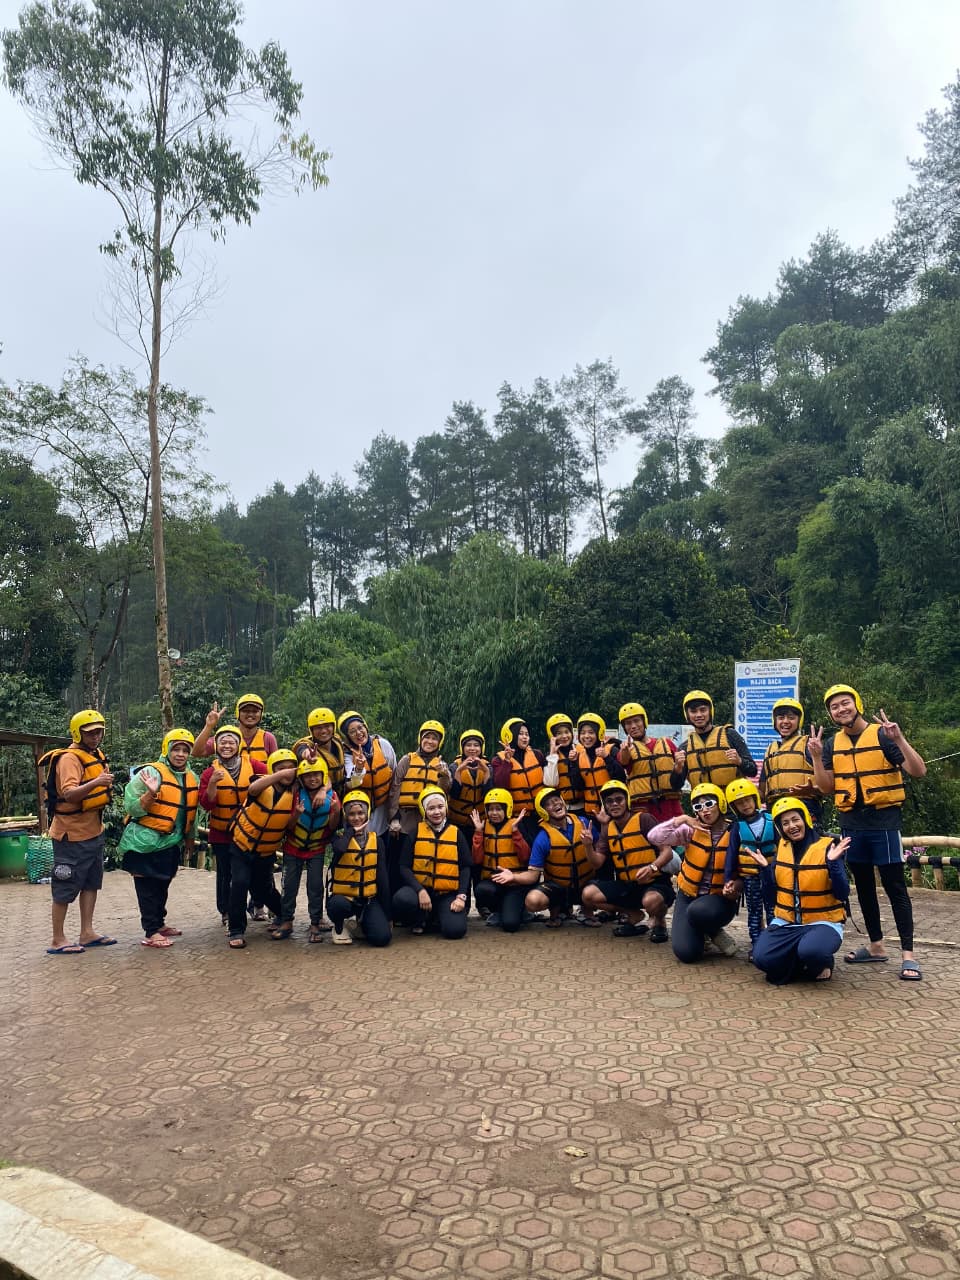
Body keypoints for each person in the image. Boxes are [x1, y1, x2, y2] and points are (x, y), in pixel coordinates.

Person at [809, 684, 926, 982]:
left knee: (895, 886)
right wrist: (817, 757)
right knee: (862, 887)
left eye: (845, 703)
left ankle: (908, 955)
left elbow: (918, 771)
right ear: (830, 714)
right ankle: (876, 946)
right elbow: (826, 787)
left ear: (857, 704)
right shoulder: (832, 744)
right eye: (834, 706)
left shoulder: (883, 735)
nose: (841, 709)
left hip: (883, 822)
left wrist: (899, 739)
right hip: (851, 824)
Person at [749, 798, 851, 985]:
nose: (792, 826)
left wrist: (833, 864)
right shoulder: (782, 849)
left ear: (805, 819)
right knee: (761, 958)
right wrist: (765, 870)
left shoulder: (828, 848)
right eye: (785, 823)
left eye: (795, 819)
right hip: (786, 923)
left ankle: (821, 961)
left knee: (812, 951)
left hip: (823, 922)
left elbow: (842, 893)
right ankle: (799, 961)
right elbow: (771, 899)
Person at [118, 728, 199, 949]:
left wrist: (189, 839)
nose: (180, 754)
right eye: (176, 749)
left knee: (163, 883)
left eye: (185, 750)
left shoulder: (191, 777)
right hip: (143, 842)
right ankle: (151, 931)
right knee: (147, 887)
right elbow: (131, 807)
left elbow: (189, 812)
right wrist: (150, 793)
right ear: (167, 750)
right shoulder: (150, 772)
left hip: (170, 842)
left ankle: (159, 924)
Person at [44, 709, 116, 954]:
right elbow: (69, 793)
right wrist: (97, 782)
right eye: (90, 733)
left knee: (91, 883)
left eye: (99, 732)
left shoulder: (95, 755)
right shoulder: (69, 759)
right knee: (64, 886)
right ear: (77, 733)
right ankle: (58, 939)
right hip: (70, 836)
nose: (96, 737)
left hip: (93, 831)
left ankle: (87, 933)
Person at [649, 783, 742, 963]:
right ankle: (708, 933)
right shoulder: (689, 831)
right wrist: (682, 819)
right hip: (688, 896)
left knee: (698, 910)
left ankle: (711, 928)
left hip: (718, 900)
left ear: (721, 804)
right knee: (686, 953)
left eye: (709, 804)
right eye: (698, 806)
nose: (704, 810)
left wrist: (736, 886)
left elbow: (746, 872)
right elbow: (654, 837)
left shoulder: (736, 832)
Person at [581, 780, 676, 942]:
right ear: (605, 806)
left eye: (619, 799)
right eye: (609, 801)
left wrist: (652, 868)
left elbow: (667, 852)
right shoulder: (607, 829)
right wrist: (588, 846)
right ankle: (633, 914)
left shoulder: (644, 819)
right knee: (588, 895)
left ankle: (660, 922)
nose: (614, 804)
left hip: (654, 882)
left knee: (651, 901)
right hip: (627, 885)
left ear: (627, 801)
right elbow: (597, 863)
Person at [225, 749, 299, 949]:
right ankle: (236, 929)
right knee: (239, 883)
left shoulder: (295, 792)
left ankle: (283, 915)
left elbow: (319, 779)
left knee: (263, 890)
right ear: (273, 770)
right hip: (242, 846)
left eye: (290, 769)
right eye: (281, 768)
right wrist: (279, 775)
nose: (286, 772)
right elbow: (253, 789)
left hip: (266, 851)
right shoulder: (262, 783)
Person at [197, 723, 265, 926]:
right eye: (223, 742)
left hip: (249, 831)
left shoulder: (254, 765)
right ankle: (226, 911)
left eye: (231, 742)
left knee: (253, 871)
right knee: (225, 874)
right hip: (222, 833)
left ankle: (257, 905)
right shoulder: (209, 773)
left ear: (238, 745)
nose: (227, 746)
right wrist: (212, 783)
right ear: (216, 746)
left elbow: (272, 779)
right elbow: (207, 804)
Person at [327, 791, 414, 946]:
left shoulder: (377, 841)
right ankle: (339, 927)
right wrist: (351, 832)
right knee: (337, 905)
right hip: (344, 898)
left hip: (367, 899)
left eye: (361, 813)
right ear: (345, 815)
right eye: (351, 814)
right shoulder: (339, 836)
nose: (356, 818)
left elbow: (382, 878)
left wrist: (388, 916)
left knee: (382, 938)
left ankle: (359, 924)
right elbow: (340, 848)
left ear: (367, 814)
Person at [271, 757, 340, 943]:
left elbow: (332, 826)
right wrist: (297, 814)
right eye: (308, 776)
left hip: (316, 848)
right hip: (293, 847)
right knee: (289, 886)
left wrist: (335, 811)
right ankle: (287, 921)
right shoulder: (295, 794)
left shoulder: (332, 796)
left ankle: (315, 923)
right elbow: (288, 826)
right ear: (301, 779)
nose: (312, 779)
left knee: (315, 887)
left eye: (316, 775)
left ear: (323, 776)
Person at [392, 786, 472, 939]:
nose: (437, 812)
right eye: (431, 808)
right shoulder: (415, 833)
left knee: (455, 931)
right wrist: (420, 890)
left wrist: (461, 896)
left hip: (446, 893)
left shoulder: (456, 833)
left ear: (446, 807)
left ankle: (434, 918)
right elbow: (404, 867)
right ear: (424, 810)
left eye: (440, 807)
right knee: (402, 899)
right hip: (421, 891)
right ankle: (420, 918)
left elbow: (465, 868)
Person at [522, 787, 601, 929]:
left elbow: (602, 852)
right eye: (549, 804)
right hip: (559, 888)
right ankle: (557, 910)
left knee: (595, 889)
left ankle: (587, 912)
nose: (555, 803)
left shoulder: (583, 823)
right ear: (543, 811)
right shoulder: (542, 838)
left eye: (557, 799)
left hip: (585, 882)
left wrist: (603, 828)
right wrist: (512, 877)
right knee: (533, 901)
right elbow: (533, 874)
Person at [725, 778, 776, 961]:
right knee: (754, 912)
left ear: (755, 799)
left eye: (747, 800)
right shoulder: (737, 827)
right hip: (750, 877)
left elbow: (782, 848)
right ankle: (756, 944)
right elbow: (731, 854)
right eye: (740, 803)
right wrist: (728, 879)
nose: (745, 805)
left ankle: (774, 944)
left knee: (773, 910)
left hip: (771, 876)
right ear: (734, 807)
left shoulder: (771, 820)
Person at [470, 787, 531, 932]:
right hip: (494, 882)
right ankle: (498, 910)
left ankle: (521, 911)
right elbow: (477, 860)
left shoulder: (517, 825)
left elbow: (526, 857)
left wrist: (515, 832)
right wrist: (478, 832)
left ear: (507, 809)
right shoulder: (484, 827)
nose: (494, 813)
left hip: (515, 883)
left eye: (498, 809)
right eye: (490, 809)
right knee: (481, 890)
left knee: (510, 925)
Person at [616, 702, 684, 822]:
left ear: (644, 721)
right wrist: (625, 750)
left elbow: (680, 778)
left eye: (636, 721)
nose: (633, 726)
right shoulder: (625, 750)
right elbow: (624, 761)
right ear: (625, 728)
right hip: (643, 810)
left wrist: (678, 767)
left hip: (671, 806)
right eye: (628, 723)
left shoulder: (666, 744)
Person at [677, 690, 755, 792]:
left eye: (703, 710)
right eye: (693, 711)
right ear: (687, 715)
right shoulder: (685, 747)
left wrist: (739, 761)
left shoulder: (730, 735)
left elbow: (753, 771)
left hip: (731, 799)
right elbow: (676, 785)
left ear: (710, 711)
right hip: (704, 801)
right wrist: (677, 768)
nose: (699, 715)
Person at [759, 698, 821, 820]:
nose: (785, 721)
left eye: (791, 718)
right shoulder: (770, 750)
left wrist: (814, 790)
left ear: (799, 721)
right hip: (775, 810)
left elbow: (828, 785)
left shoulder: (809, 745)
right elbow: (761, 792)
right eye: (781, 718)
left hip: (805, 809)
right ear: (775, 721)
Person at [389, 720, 452, 836]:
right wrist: (394, 818)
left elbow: (443, 792)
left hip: (430, 819)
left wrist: (443, 775)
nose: (430, 741)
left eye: (434, 739)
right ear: (420, 739)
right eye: (427, 737)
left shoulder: (442, 765)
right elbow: (395, 789)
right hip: (405, 819)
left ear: (439, 742)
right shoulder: (407, 760)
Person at [338, 711, 396, 834]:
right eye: (352, 732)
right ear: (348, 736)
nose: (358, 733)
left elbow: (394, 774)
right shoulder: (347, 755)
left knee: (381, 841)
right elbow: (351, 783)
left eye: (360, 728)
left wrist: (393, 811)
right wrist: (359, 768)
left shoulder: (383, 745)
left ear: (366, 727)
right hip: (359, 811)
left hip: (382, 808)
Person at [491, 718, 546, 846]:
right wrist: (507, 761)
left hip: (540, 814)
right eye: (520, 734)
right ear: (511, 736)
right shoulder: (498, 760)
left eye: (527, 734)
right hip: (517, 818)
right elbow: (500, 786)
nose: (525, 737)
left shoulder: (537, 755)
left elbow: (549, 781)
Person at [193, 695, 278, 765]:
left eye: (255, 711)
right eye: (245, 711)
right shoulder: (227, 735)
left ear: (261, 714)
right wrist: (209, 726)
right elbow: (196, 752)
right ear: (238, 713)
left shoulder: (268, 738)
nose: (250, 714)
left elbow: (276, 767)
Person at [292, 707, 346, 794]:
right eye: (318, 728)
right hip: (318, 793)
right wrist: (307, 755)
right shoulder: (305, 744)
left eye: (327, 726)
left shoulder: (337, 739)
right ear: (312, 730)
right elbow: (301, 750)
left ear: (333, 727)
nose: (323, 731)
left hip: (342, 789)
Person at [447, 729, 492, 834]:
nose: (472, 748)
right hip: (457, 822)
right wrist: (458, 771)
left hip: (480, 822)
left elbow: (488, 795)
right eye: (468, 745)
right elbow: (454, 794)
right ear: (462, 748)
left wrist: (486, 772)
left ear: (481, 748)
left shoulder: (488, 767)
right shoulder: (454, 767)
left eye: (476, 745)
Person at [542, 714, 584, 815]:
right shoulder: (550, 756)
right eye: (559, 733)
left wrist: (575, 762)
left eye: (567, 732)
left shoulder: (582, 750)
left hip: (583, 806)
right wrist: (553, 755)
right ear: (552, 736)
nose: (564, 736)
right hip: (562, 808)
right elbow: (551, 783)